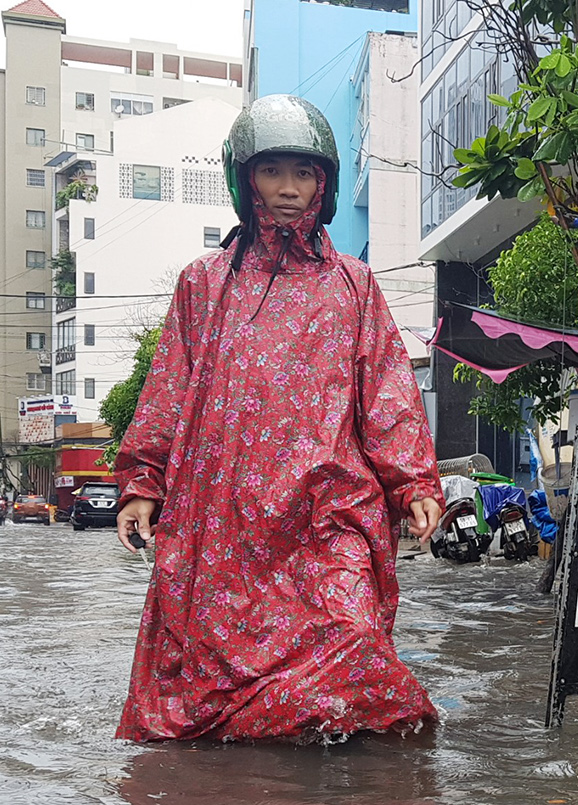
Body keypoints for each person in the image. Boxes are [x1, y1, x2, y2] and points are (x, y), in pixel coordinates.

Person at [112, 95, 443, 742]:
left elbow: (388, 396)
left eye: (304, 173)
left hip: (331, 511)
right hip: (228, 523)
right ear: (245, 179)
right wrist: (142, 484)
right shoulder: (202, 286)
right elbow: (168, 393)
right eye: (272, 172)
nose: (289, 190)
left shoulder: (355, 285)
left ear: (325, 183)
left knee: (354, 640)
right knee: (219, 690)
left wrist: (414, 485)